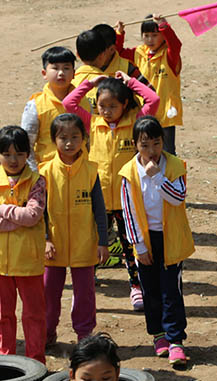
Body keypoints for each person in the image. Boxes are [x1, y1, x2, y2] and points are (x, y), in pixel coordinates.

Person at [63, 71, 159, 311]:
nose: (105, 111)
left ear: (124, 104)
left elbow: (154, 100)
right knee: (93, 244)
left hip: (128, 200)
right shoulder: (92, 123)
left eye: (112, 106)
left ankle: (136, 287)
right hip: (98, 199)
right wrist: (89, 84)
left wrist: (130, 82)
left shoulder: (136, 123)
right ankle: (84, 287)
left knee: (130, 245)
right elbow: (68, 103)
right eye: (101, 106)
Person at [119, 116, 194, 367]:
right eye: (145, 145)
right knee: (150, 289)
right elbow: (128, 211)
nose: (151, 151)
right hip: (145, 240)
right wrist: (138, 246)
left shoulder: (174, 166)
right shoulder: (129, 173)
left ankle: (175, 340)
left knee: (171, 289)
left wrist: (157, 177)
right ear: (135, 145)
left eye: (156, 144)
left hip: (170, 237)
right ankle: (158, 335)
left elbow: (178, 197)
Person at [40, 114, 110, 346]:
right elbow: (41, 211)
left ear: (84, 139)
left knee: (85, 295)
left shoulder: (91, 171)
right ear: (53, 140)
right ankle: (47, 332)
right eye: (63, 138)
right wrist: (45, 239)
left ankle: (84, 335)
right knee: (49, 294)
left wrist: (102, 241)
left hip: (84, 244)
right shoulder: (45, 172)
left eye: (75, 137)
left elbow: (100, 210)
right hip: (54, 247)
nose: (69, 143)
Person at [0, 126, 47, 363]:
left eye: (19, 154)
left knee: (34, 315)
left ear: (28, 154)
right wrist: (18, 218)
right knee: (2, 315)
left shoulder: (38, 182)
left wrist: (1, 208)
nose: (13, 160)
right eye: (7, 154)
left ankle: (36, 360)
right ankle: (4, 360)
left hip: (28, 260)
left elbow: (33, 217)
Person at [115, 15, 183, 155]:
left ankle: (169, 176)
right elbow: (119, 53)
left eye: (155, 35)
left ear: (163, 36)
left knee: (167, 151)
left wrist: (164, 25)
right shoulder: (138, 53)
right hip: (144, 111)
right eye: (146, 35)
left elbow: (176, 45)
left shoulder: (170, 55)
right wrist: (119, 33)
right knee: (142, 149)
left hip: (165, 114)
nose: (150, 39)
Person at [72, 29, 151, 115]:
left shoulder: (74, 77)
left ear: (77, 55)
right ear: (103, 54)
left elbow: (67, 104)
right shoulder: (123, 75)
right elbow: (151, 94)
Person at [21, 47, 76, 167]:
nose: (61, 73)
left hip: (79, 170)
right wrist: (34, 174)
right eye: (55, 68)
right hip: (47, 172)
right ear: (44, 74)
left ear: (74, 73)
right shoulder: (36, 105)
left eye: (66, 68)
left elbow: (90, 140)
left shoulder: (83, 103)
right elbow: (26, 143)